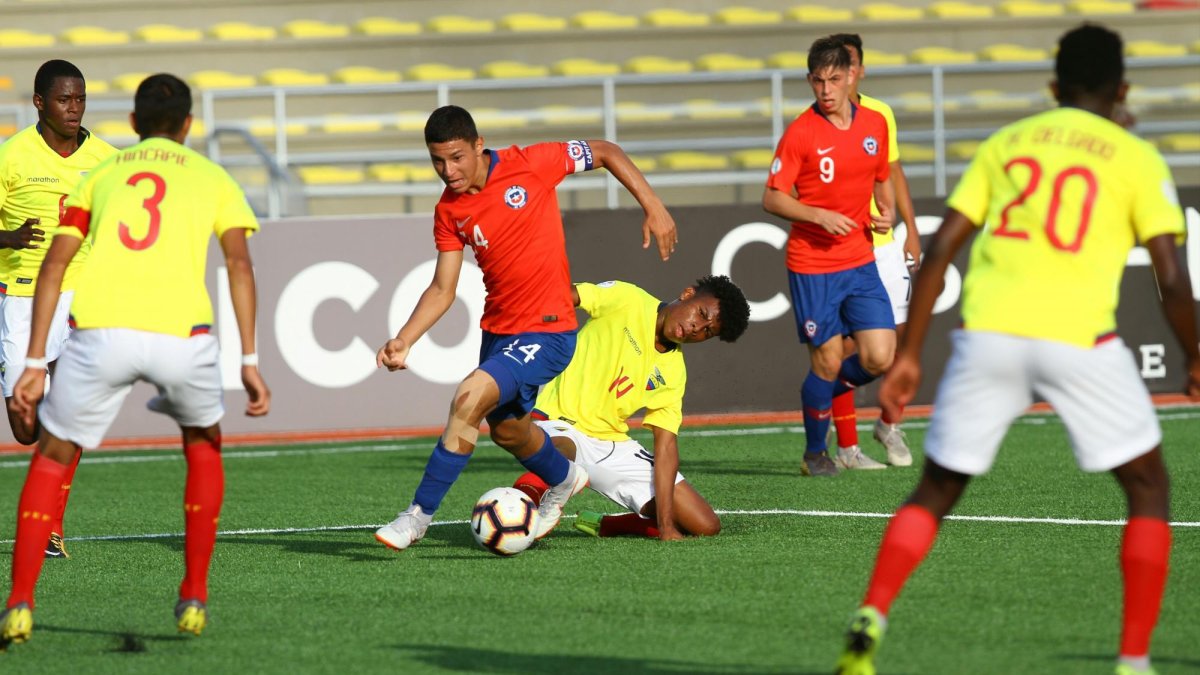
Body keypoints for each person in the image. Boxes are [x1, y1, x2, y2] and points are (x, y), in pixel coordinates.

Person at [836, 24, 1200, 675]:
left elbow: (943, 245)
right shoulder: (1136, 156)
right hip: (1081, 340)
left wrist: (913, 351)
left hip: (988, 339)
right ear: (1122, 89)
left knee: (938, 486)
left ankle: (872, 613)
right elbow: (1170, 278)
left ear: (1054, 86)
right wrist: (1196, 356)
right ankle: (1133, 661)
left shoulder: (1007, 143)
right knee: (1147, 487)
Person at [0, 73, 271, 649]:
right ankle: (193, 594)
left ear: (130, 123)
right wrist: (248, 357)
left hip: (101, 332)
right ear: (190, 126)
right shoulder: (213, 177)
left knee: (48, 455)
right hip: (183, 336)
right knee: (202, 445)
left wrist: (32, 360)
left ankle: (20, 604)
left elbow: (54, 264)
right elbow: (241, 268)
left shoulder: (102, 171)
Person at [374, 105, 678, 551]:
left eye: (457, 157)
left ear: (479, 146)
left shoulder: (532, 163)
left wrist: (654, 206)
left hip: (550, 330)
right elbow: (443, 288)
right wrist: (405, 338)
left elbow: (607, 151)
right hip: (499, 332)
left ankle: (417, 516)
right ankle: (566, 477)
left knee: (468, 397)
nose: (448, 170)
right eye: (437, 160)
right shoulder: (449, 210)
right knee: (508, 431)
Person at [510, 275, 750, 540]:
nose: (697, 328)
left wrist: (667, 525)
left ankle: (604, 525)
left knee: (704, 525)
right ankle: (518, 511)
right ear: (688, 294)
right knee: (560, 452)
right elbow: (569, 296)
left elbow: (666, 446)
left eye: (707, 331)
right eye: (701, 313)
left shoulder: (674, 373)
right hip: (559, 423)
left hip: (612, 443)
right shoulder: (628, 298)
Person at [762, 36, 897, 477]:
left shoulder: (875, 124)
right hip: (814, 264)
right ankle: (815, 453)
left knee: (880, 356)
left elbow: (882, 178)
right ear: (809, 81)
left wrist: (887, 211)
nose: (826, 89)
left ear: (852, 76)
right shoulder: (801, 133)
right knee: (826, 360)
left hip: (859, 258)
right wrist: (817, 215)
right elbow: (773, 198)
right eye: (818, 80)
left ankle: (819, 397)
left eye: (834, 79)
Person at [0, 60, 118, 558]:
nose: (75, 109)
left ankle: (51, 524)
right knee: (26, 428)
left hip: (82, 294)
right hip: (22, 294)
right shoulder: (10, 157)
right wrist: (9, 236)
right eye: (65, 100)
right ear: (40, 103)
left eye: (82, 99)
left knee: (68, 412)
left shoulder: (109, 160)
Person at [826, 34, 921, 470]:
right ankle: (846, 447)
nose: (845, 76)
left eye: (851, 66)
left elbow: (893, 173)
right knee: (848, 350)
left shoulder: (880, 114)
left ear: (858, 71)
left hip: (884, 247)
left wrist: (910, 230)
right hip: (844, 251)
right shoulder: (814, 125)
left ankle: (888, 424)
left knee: (897, 352)